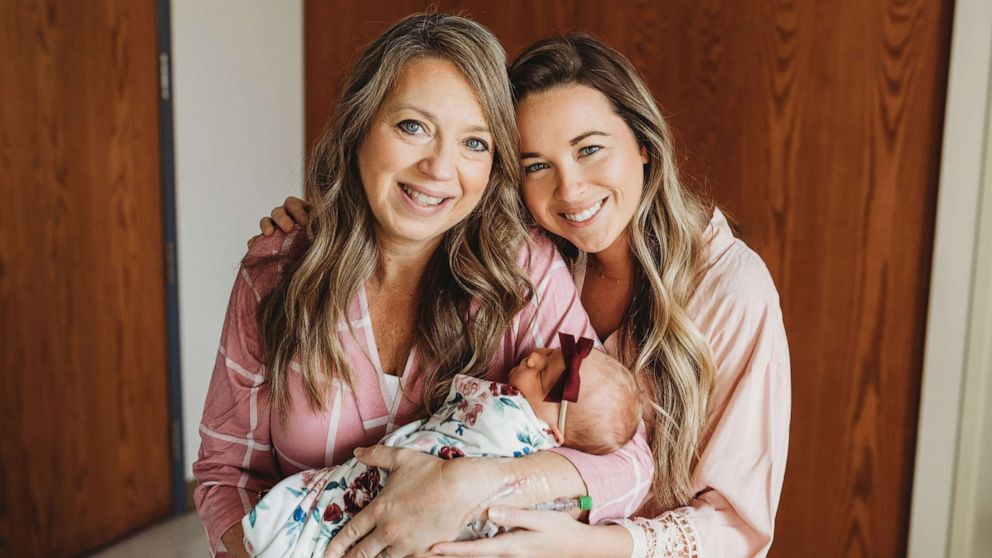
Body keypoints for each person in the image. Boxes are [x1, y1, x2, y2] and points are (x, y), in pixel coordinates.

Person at [258, 33, 791, 558]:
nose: (570, 189)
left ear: (645, 144)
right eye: (537, 164)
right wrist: (327, 222)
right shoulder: (534, 261)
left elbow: (737, 527)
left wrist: (589, 545)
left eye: (590, 150)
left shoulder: (729, 288)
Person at [196, 14, 653, 558]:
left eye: (475, 143)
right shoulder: (276, 274)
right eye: (412, 126)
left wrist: (473, 488)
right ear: (359, 126)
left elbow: (628, 463)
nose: (440, 167)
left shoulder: (522, 270)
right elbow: (225, 474)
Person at [243, 342, 642, 557]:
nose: (535, 353)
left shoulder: (513, 422)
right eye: (550, 352)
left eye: (545, 372)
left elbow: (636, 462)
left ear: (553, 433)